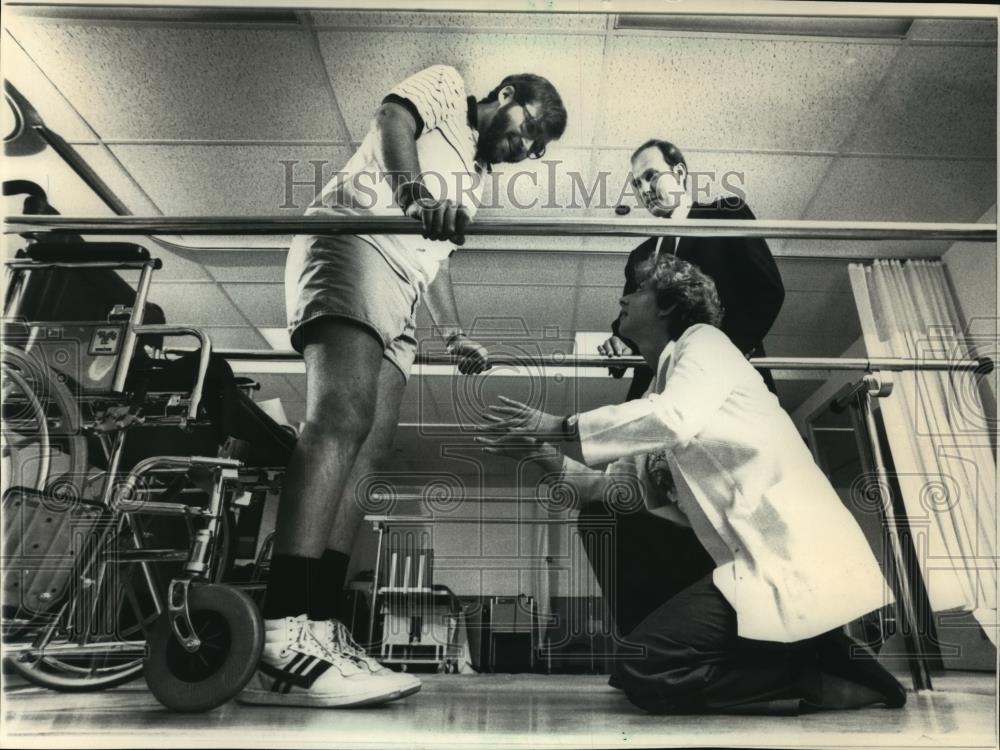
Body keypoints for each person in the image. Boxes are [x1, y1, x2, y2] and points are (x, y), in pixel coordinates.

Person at [240, 65, 567, 708]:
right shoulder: (446, 86)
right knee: (340, 418)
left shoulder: (473, 182)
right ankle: (281, 636)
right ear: (505, 97)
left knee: (370, 450)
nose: (526, 150)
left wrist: (453, 334)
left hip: (404, 291)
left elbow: (435, 258)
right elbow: (393, 121)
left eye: (537, 149)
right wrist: (415, 195)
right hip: (354, 243)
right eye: (529, 130)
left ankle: (321, 629)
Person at [479, 255, 905, 714]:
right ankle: (823, 654)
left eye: (637, 289)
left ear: (668, 306)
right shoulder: (658, 396)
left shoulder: (705, 344)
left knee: (643, 670)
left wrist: (559, 425)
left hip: (792, 552)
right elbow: (615, 490)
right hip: (752, 564)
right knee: (635, 666)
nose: (623, 297)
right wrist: (541, 454)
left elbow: (674, 419)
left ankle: (816, 675)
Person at [600, 139, 784, 399]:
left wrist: (724, 353)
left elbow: (767, 290)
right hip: (659, 387)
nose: (644, 189)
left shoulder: (725, 215)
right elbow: (633, 317)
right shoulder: (639, 255)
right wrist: (622, 343)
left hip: (724, 376)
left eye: (651, 176)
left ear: (679, 173)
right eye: (636, 184)